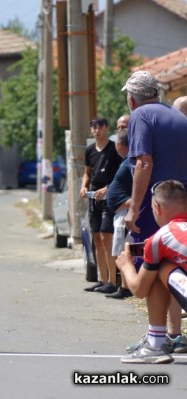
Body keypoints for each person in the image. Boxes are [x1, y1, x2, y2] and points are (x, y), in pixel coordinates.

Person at [122, 71, 187, 353]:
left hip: (162, 198)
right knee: (175, 265)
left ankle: (156, 338)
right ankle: (174, 334)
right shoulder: (177, 115)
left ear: (132, 98)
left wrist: (133, 209)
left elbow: (144, 164)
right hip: (182, 195)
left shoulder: (141, 116)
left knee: (154, 264)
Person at [116, 180, 187, 364]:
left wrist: (126, 266)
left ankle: (155, 344)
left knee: (157, 267)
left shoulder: (161, 237)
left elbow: (139, 290)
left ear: (156, 207)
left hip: (157, 249)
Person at [81, 117, 123, 294]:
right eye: (93, 127)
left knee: (107, 236)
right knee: (97, 237)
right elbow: (87, 173)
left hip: (109, 197)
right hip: (93, 198)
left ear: (106, 128)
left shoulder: (114, 149)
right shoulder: (90, 150)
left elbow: (120, 175)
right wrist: (83, 186)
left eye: (100, 126)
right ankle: (102, 279)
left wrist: (107, 189)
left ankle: (113, 281)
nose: (96, 130)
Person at [104, 124, 133, 299]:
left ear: (120, 145)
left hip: (124, 211)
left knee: (123, 250)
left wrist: (131, 203)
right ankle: (124, 285)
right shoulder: (127, 161)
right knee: (121, 250)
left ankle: (125, 287)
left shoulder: (131, 161)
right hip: (120, 211)